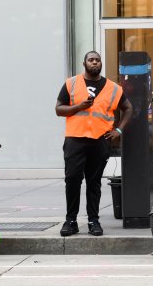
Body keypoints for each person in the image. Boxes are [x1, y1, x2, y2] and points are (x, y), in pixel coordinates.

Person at [55, 51, 133, 237]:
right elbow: (58, 109)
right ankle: (71, 221)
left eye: (97, 60)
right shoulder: (71, 83)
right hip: (75, 139)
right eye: (91, 60)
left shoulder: (113, 88)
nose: (94, 63)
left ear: (101, 63)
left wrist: (119, 130)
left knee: (94, 183)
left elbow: (128, 108)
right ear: (84, 63)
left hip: (100, 141)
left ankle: (93, 221)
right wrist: (78, 107)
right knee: (72, 180)